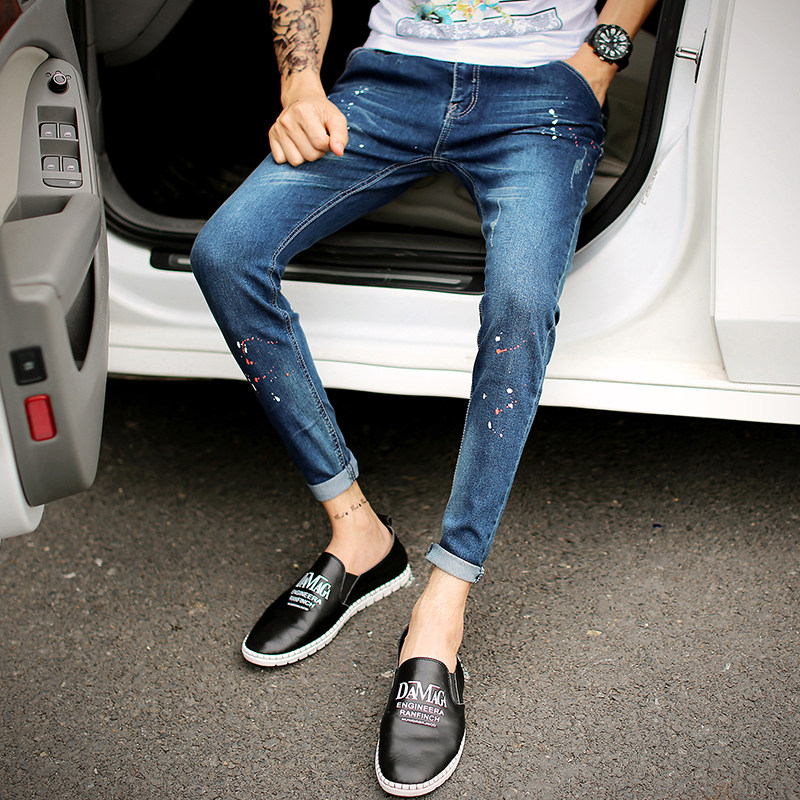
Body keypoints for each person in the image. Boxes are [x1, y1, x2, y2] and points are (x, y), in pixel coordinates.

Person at [191, 0, 658, 794]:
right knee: (227, 251)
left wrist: (600, 60)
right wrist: (300, 85)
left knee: (520, 306)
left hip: (543, 88)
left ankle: (441, 609)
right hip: (390, 82)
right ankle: (359, 535)